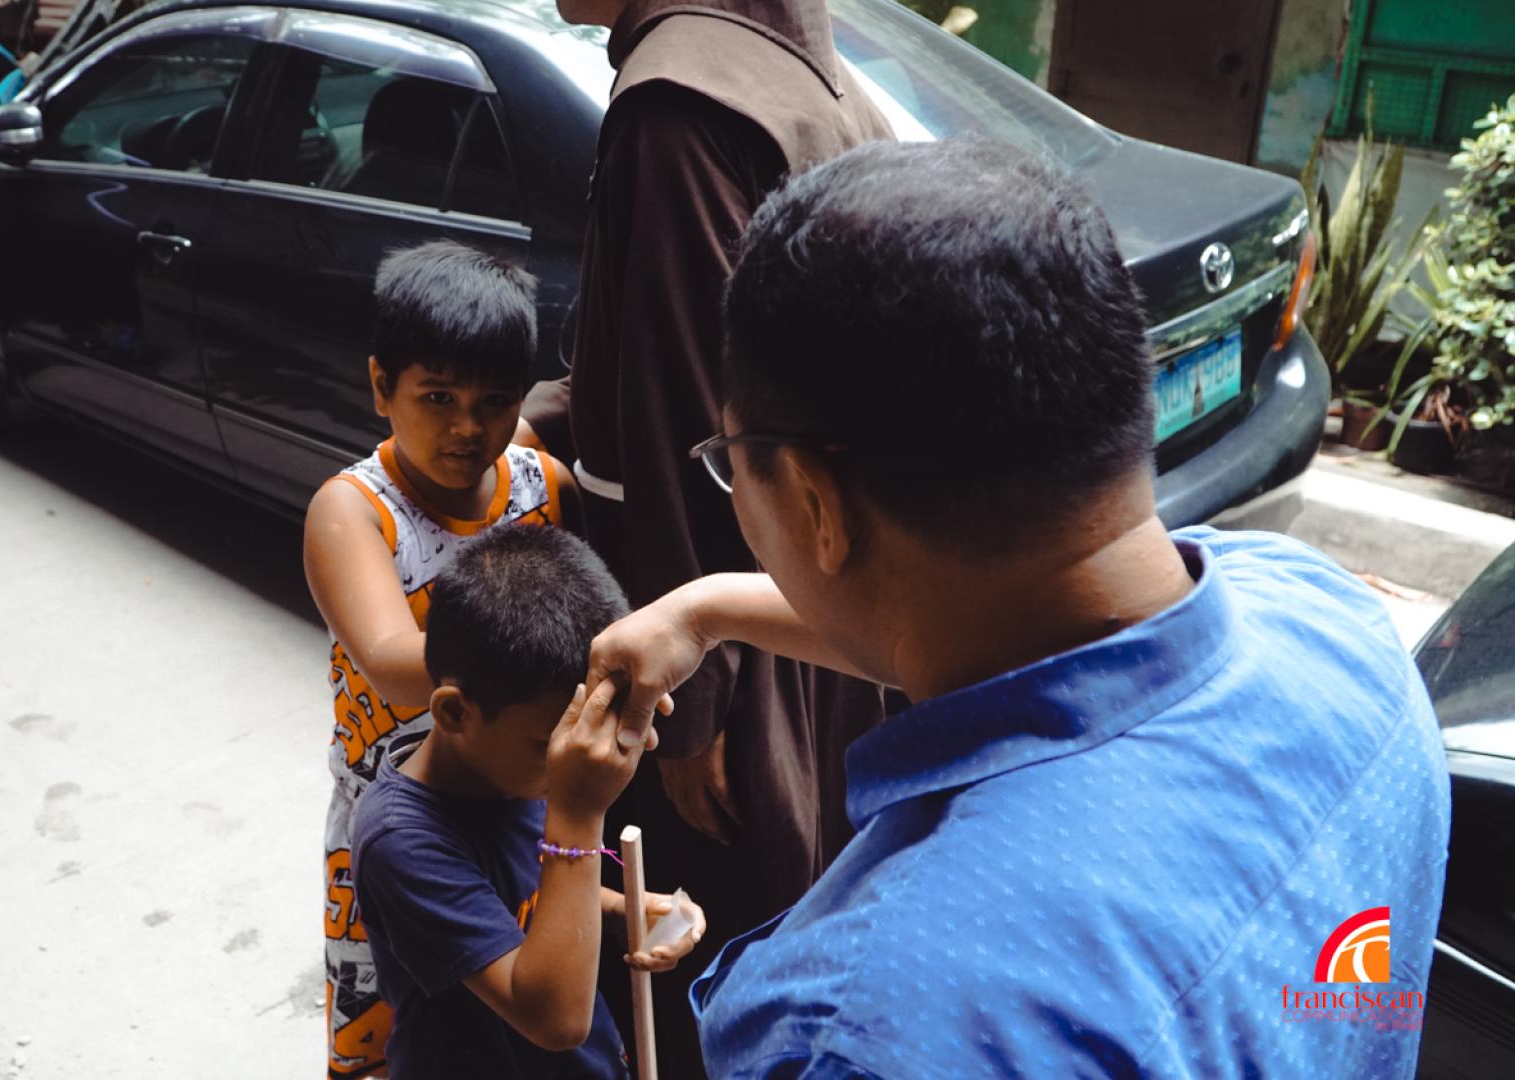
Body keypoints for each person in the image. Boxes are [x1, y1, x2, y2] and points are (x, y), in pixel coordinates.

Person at [586, 137, 1452, 1075]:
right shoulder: (1328, 616)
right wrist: (708, 609)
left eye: (731, 465)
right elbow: (990, 628)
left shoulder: (869, 1027)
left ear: (813, 502)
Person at [518, 1, 893, 1069]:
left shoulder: (677, 104)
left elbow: (687, 418)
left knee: (702, 966)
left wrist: (691, 717)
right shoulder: (802, 69)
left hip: (721, 645)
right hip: (804, 598)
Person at [305, 241, 584, 1078]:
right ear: (380, 386)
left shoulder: (543, 485)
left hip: (514, 800)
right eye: (437, 397)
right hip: (405, 817)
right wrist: (542, 652)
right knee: (393, 1029)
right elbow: (394, 664)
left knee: (503, 1012)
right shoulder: (355, 511)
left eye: (493, 401)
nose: (467, 427)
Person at [352, 524, 707, 1079]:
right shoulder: (400, 841)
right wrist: (579, 813)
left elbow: (521, 891)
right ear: (454, 713)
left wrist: (621, 909)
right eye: (551, 746)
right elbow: (556, 1021)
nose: (574, 760)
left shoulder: (510, 768)